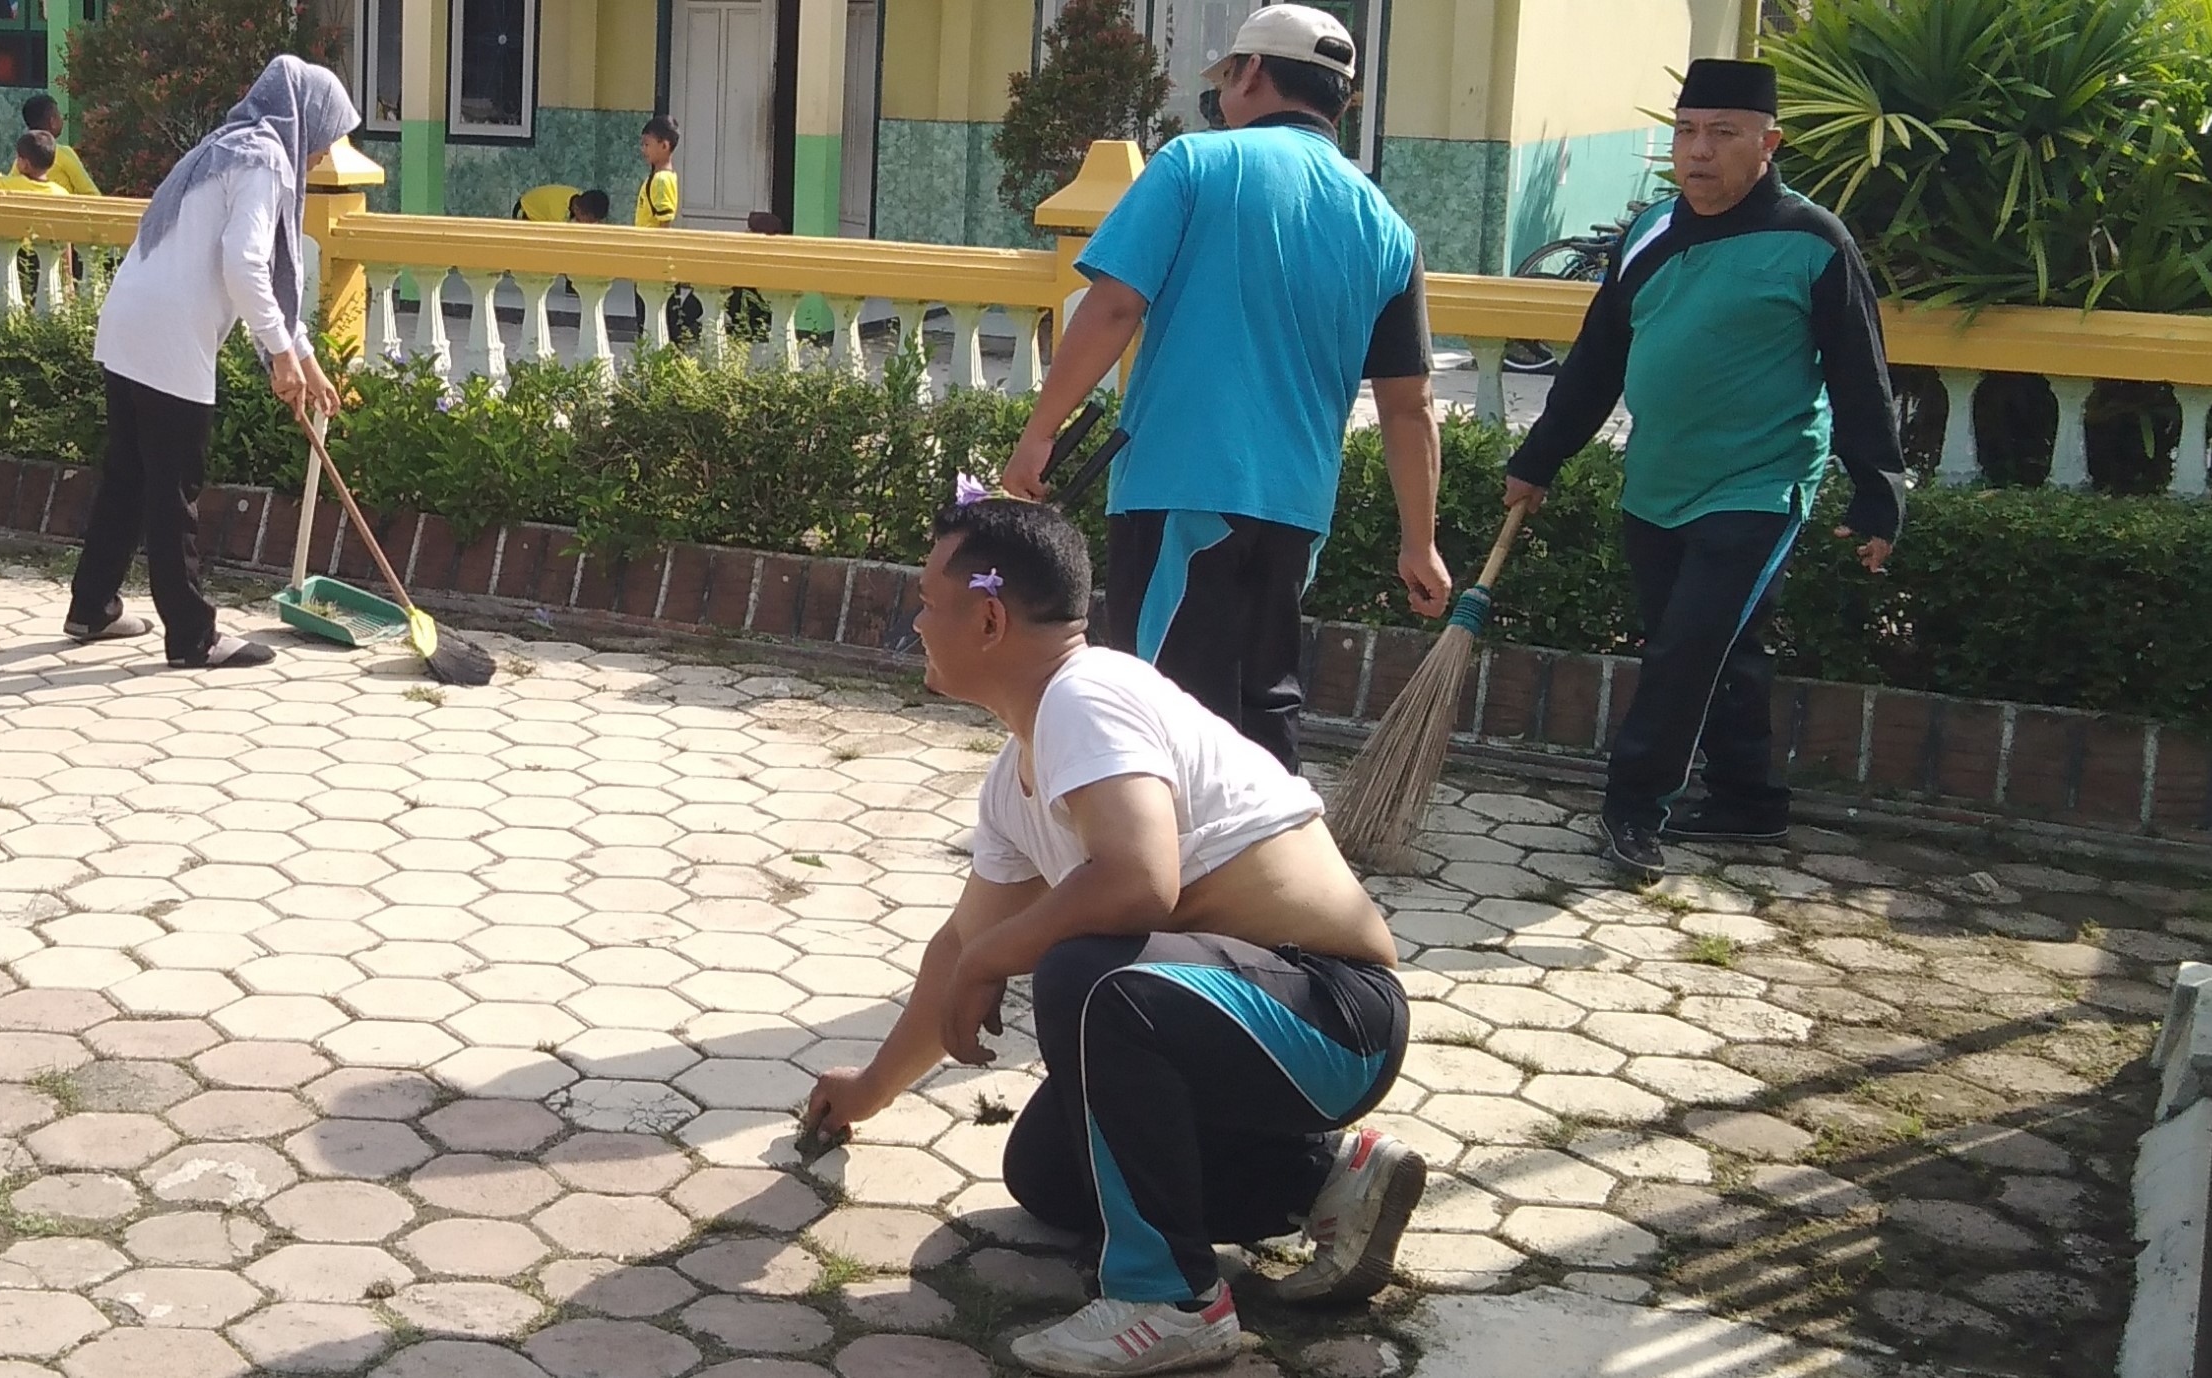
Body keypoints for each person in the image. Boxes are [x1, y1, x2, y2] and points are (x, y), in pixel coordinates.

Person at [801, 497, 1421, 1376]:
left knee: (1090, 978)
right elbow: (958, 944)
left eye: (926, 601)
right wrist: (869, 1088)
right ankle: (1325, 1177)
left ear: (987, 617)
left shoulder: (1087, 695)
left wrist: (995, 958)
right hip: (1240, 1017)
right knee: (1049, 1174)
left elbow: (1136, 881)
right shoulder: (1017, 769)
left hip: (1332, 1019)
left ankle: (1170, 1303)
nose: (915, 618)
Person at [998, 3, 1448, 773]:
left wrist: (1039, 431)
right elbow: (1409, 406)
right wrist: (1419, 542)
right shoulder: (1384, 224)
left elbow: (1111, 305)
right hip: (1296, 506)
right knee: (1262, 697)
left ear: (1250, 74)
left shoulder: (1195, 166)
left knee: (1162, 697)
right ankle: (1265, 874)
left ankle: (1161, 876)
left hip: (1182, 483)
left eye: (1224, 83)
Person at [1501, 58, 1906, 879]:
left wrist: (1878, 491)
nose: (1697, 152)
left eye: (1721, 134)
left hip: (1759, 484)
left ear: (1768, 143)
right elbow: (1594, 363)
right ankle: (1747, 802)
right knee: (1716, 644)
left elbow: (1860, 371)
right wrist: (1537, 460)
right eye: (1686, 132)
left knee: (1686, 648)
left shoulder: (1812, 240)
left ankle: (1630, 811)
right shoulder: (1647, 233)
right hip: (1655, 481)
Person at [67, 56, 357, 670]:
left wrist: (304, 356)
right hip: (171, 338)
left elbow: (253, 276)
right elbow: (246, 265)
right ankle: (193, 637)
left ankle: (91, 606)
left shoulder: (223, 147)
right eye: (323, 141)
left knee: (129, 475)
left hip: (128, 323)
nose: (318, 158)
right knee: (174, 490)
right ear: (302, 123)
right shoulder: (264, 159)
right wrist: (280, 356)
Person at [633, 116, 680, 228]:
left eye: (647, 144)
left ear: (664, 146)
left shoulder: (661, 180)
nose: (643, 149)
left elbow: (664, 224)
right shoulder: (661, 177)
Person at [512, 184, 609, 224]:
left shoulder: (578, 196)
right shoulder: (558, 214)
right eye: (589, 222)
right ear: (579, 212)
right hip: (524, 212)